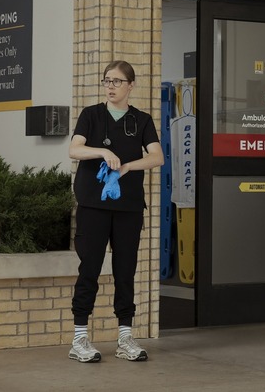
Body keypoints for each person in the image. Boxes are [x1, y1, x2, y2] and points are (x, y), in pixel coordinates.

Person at [68, 60, 164, 362]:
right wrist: (103, 151)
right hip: (93, 206)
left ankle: (125, 337)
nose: (110, 86)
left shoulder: (142, 120)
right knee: (90, 270)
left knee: (125, 272)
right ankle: (79, 339)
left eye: (117, 81)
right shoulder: (91, 116)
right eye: (107, 81)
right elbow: (74, 149)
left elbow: (157, 157)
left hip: (128, 208)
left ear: (130, 85)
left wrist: (126, 167)